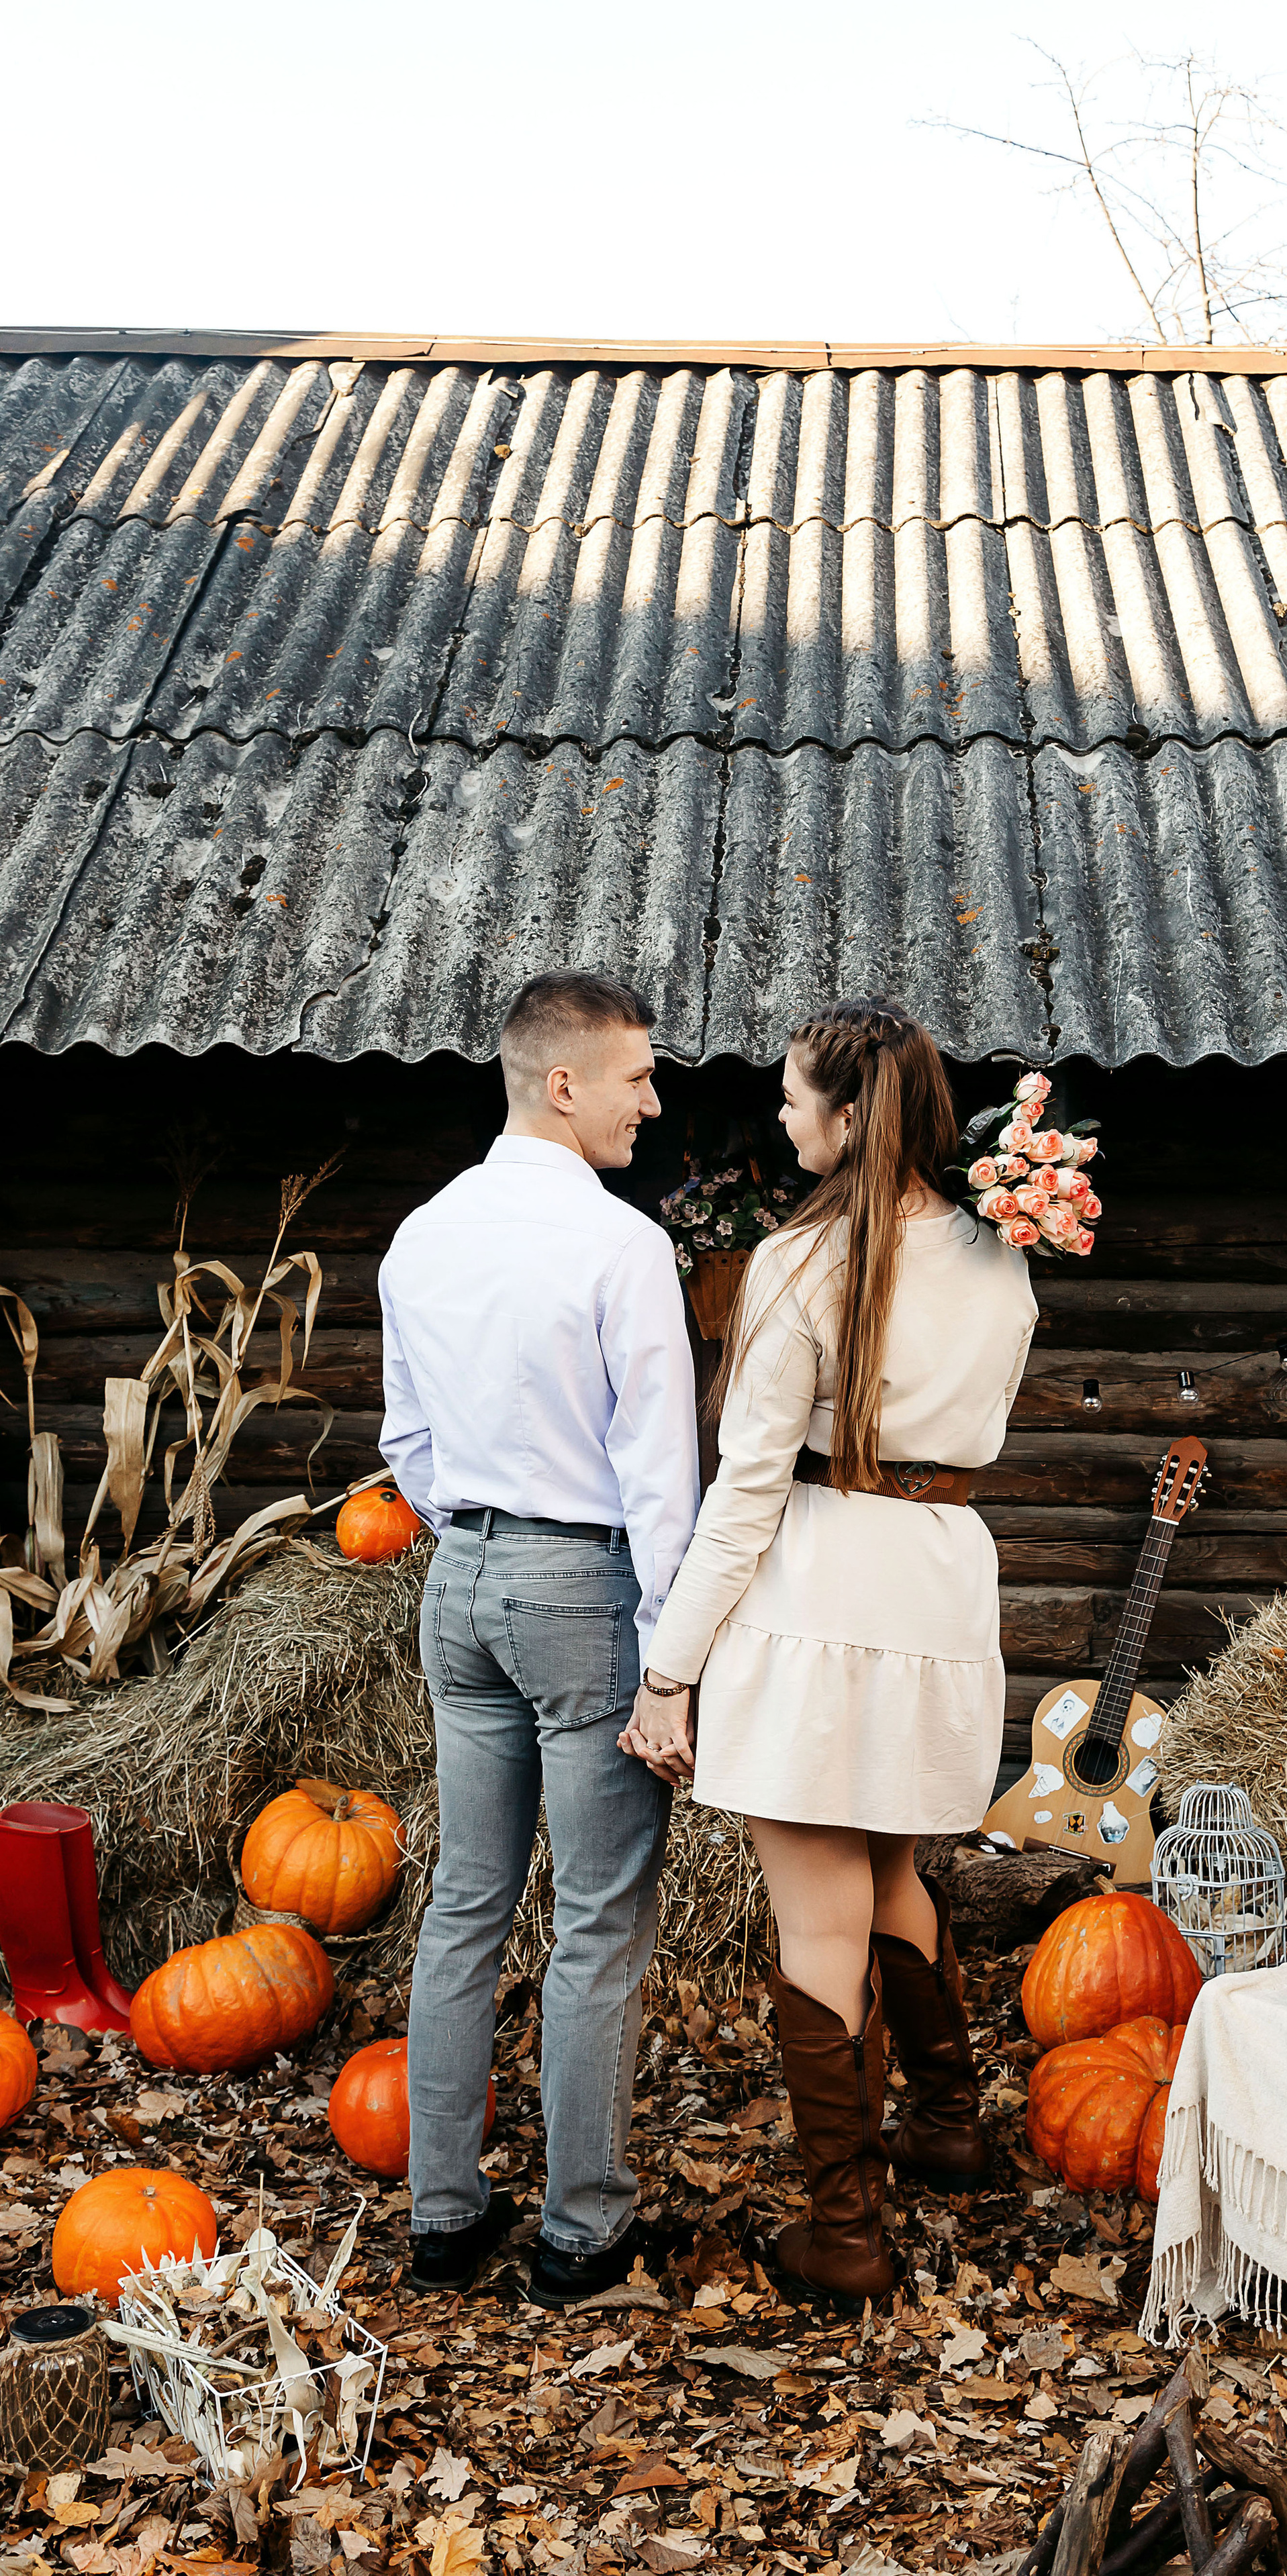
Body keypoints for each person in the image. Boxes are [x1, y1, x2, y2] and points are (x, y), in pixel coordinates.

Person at [622, 998, 1037, 2306]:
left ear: (849, 1112)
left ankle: (845, 2232)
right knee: (891, 1867)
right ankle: (951, 2124)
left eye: (796, 1095)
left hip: (819, 1596)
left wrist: (668, 1667)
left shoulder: (798, 1266)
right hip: (938, 1584)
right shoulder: (998, 1254)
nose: (782, 1113)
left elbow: (746, 1488)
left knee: (819, 1914)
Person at [379, 971, 698, 2303]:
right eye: (636, 1073)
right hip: (584, 1587)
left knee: (465, 1895)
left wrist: (471, 1526)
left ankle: (442, 2214)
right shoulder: (620, 1245)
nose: (653, 1096)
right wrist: (671, 1656)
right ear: (560, 1082)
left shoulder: (420, 1236)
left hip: (458, 1579)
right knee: (596, 1912)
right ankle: (581, 2227)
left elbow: (405, 1442)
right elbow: (658, 1471)